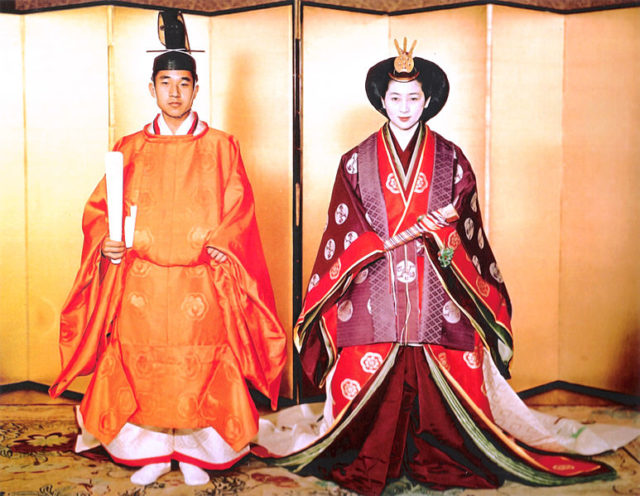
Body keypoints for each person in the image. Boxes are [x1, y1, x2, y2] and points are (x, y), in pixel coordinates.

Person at [265, 39, 628, 495]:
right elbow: (342, 228)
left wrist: (445, 232)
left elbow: (469, 229)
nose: (403, 107)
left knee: (456, 354)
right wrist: (375, 242)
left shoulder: (452, 158)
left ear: (429, 100)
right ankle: (371, 451)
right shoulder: (355, 161)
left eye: (413, 97)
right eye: (394, 97)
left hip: (437, 281)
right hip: (373, 280)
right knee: (360, 352)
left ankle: (440, 450)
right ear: (381, 99)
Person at [49, 10, 287, 487]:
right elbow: (100, 210)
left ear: (196, 89)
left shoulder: (222, 147)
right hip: (143, 280)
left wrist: (222, 242)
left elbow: (240, 206)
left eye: (184, 83)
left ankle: (198, 451)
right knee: (145, 367)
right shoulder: (131, 148)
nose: (174, 92)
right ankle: (149, 452)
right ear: (152, 88)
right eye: (165, 83)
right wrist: (108, 243)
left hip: (201, 279)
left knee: (199, 366)